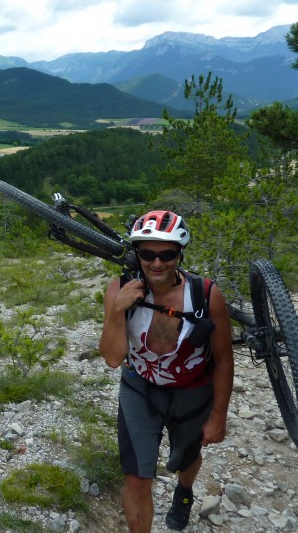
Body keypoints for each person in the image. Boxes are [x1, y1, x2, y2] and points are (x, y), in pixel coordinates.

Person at [99, 210, 234, 532]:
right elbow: (113, 358)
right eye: (147, 254)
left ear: (179, 255)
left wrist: (219, 417)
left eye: (167, 255)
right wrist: (118, 309)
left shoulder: (206, 295)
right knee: (135, 478)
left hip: (192, 390)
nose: (157, 264)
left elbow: (224, 358)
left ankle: (184, 492)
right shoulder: (118, 289)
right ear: (137, 254)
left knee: (185, 460)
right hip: (139, 388)